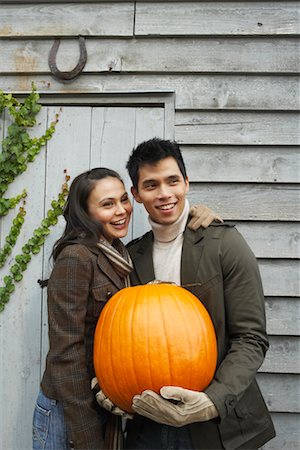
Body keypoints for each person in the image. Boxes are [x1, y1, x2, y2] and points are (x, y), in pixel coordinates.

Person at [32, 167, 220, 450]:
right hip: (69, 411)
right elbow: (66, 355)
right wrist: (86, 439)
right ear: (85, 213)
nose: (121, 210)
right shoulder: (76, 258)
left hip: (100, 405)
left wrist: (194, 214)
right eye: (107, 204)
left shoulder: (119, 253)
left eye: (123, 199)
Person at [122, 138, 276, 449]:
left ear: (187, 183)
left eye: (172, 181)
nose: (165, 194)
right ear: (137, 195)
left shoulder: (224, 244)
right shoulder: (130, 257)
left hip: (217, 423)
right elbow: (119, 336)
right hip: (148, 426)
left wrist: (211, 401)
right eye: (151, 185)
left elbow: (251, 338)